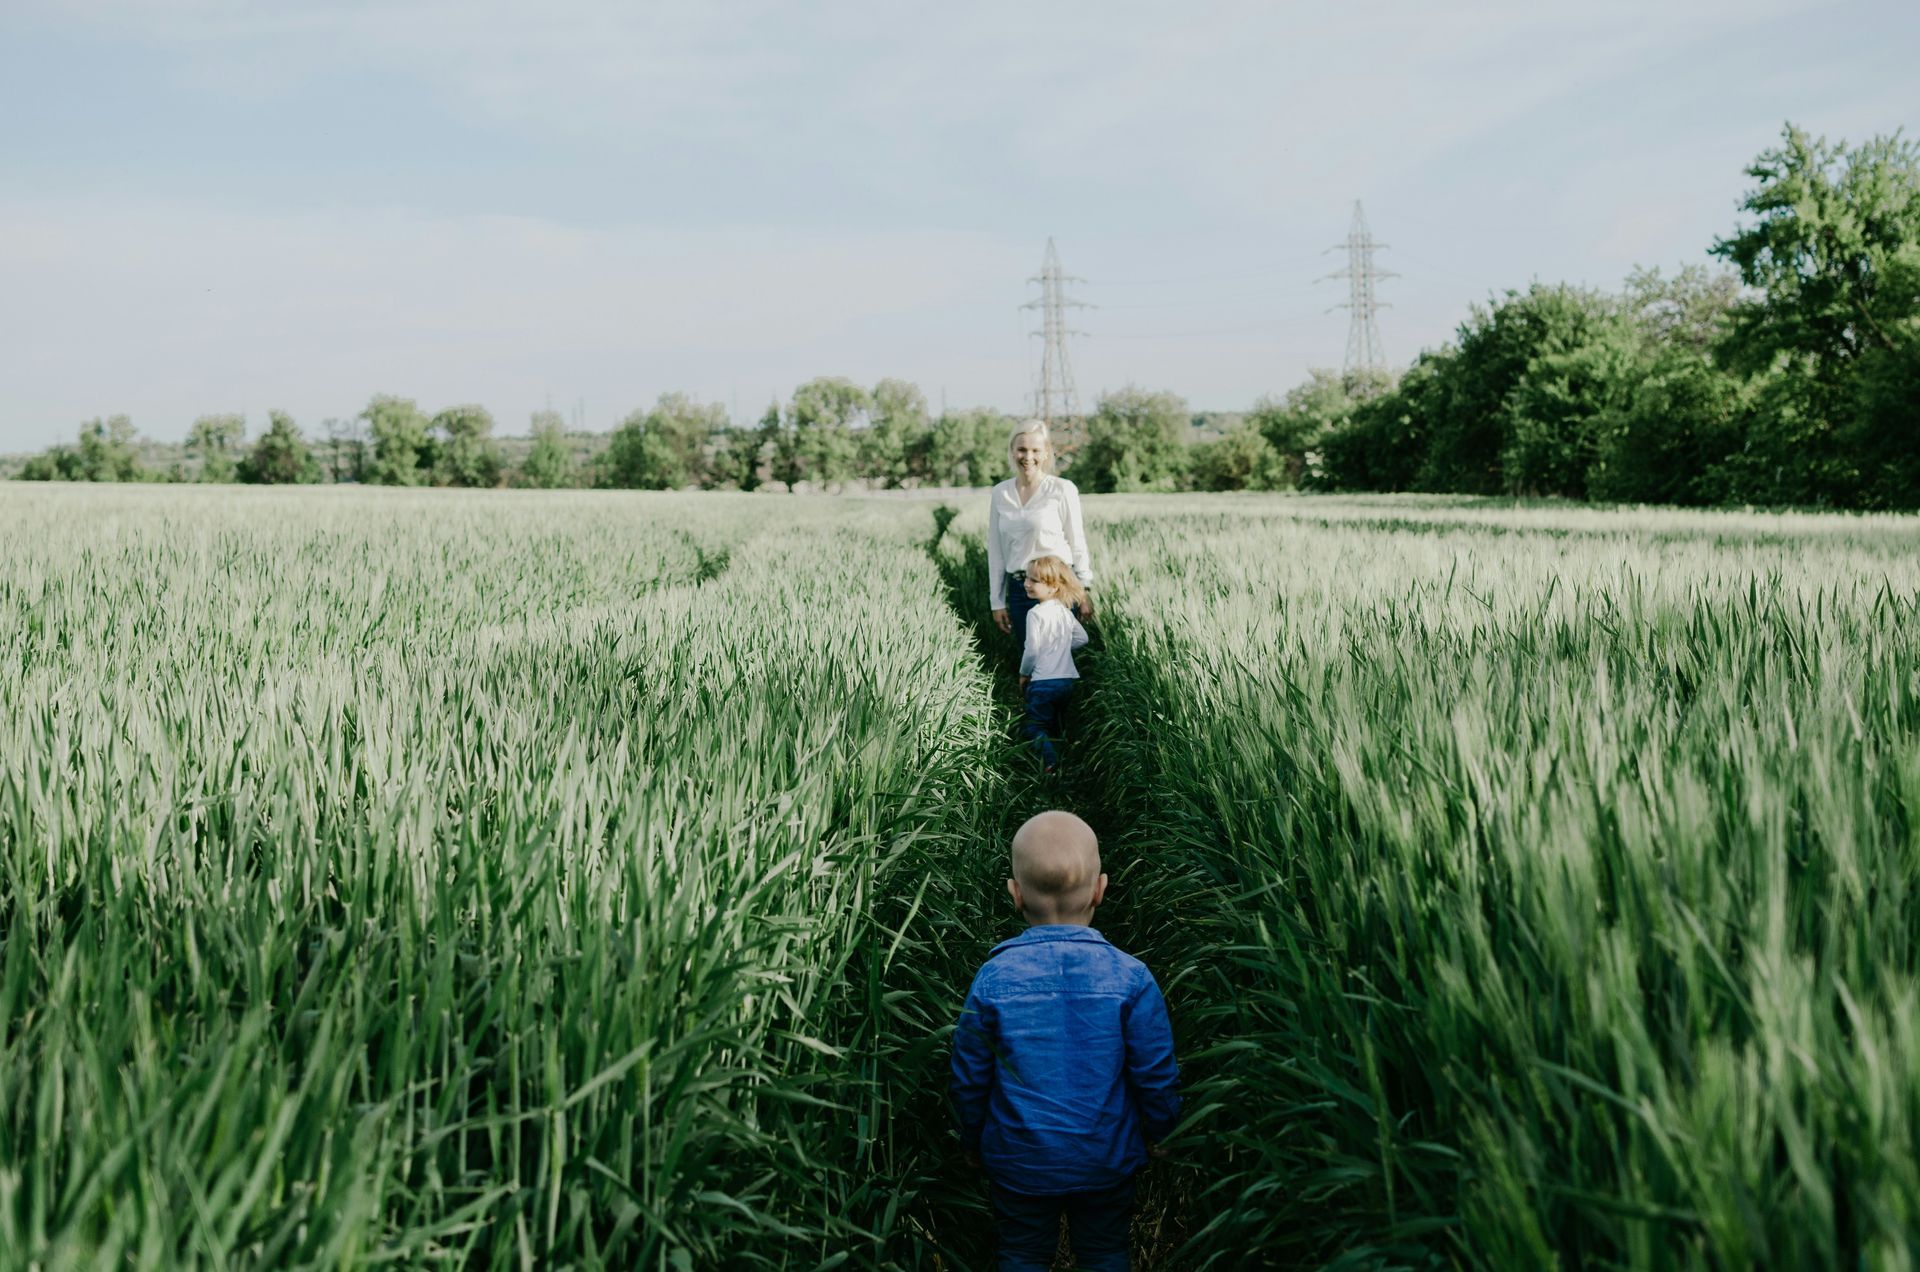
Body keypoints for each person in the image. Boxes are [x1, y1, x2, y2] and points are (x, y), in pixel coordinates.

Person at [950, 811, 1181, 1272]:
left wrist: (969, 1140)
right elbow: (1155, 1071)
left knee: (1020, 1254)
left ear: (1014, 894)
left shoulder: (993, 978)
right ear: (1101, 889)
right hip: (1105, 1159)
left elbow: (969, 1074)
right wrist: (1161, 1133)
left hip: (1019, 1161)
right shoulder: (1132, 979)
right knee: (1105, 1252)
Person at [988, 422, 1093, 667]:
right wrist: (997, 601)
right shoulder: (1000, 493)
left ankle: (1058, 705)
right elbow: (996, 551)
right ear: (1012, 451)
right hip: (1020, 589)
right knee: (1031, 659)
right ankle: (1032, 705)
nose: (1028, 456)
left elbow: (1077, 541)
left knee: (1060, 663)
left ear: (1046, 452)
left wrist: (1084, 590)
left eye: (1036, 450)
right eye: (1022, 449)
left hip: (1058, 588)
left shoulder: (1063, 489)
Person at [1017, 555, 1089, 772]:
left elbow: (1031, 651)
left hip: (1043, 681)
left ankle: (1050, 762)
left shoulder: (1035, 613)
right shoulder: (1065, 612)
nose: (1026, 584)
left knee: (1034, 726)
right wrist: (1061, 648)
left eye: (1034, 581)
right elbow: (1083, 638)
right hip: (1067, 680)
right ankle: (1067, 757)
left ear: (1053, 586)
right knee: (1056, 722)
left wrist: (1023, 673)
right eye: (1026, 578)